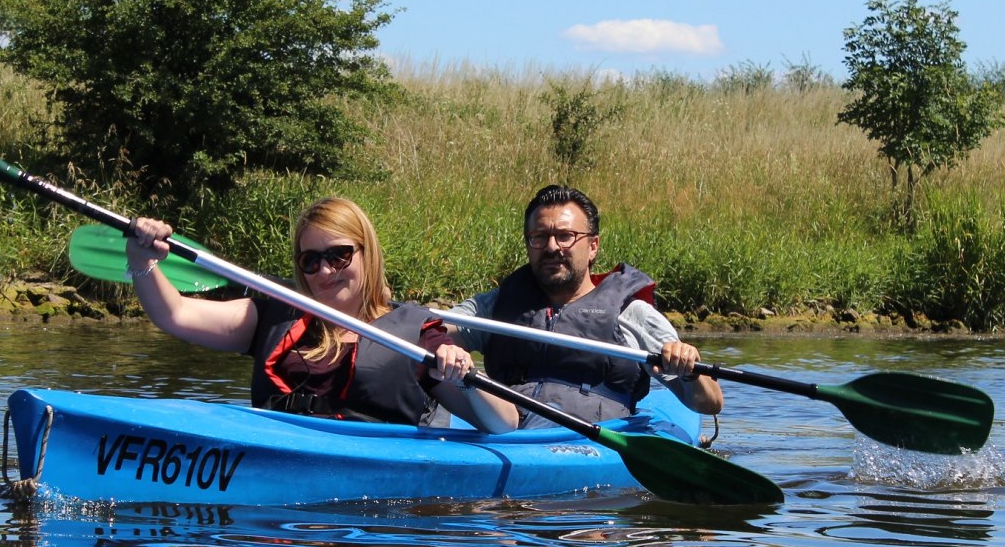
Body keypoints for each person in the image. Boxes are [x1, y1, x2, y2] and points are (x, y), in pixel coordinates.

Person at [125, 197, 517, 433]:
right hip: (275, 468)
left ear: (367, 253)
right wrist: (142, 259)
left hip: (369, 516)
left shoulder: (416, 334)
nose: (325, 272)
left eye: (339, 255)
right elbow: (174, 313)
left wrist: (464, 375)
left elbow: (504, 424)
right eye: (310, 261)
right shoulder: (273, 315)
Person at [448, 185, 723, 428]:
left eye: (565, 236)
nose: (552, 247)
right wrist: (435, 340)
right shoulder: (497, 306)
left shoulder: (632, 315)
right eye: (539, 237)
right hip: (508, 434)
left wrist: (688, 371)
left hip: (593, 440)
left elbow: (710, 403)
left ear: (593, 246)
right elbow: (436, 327)